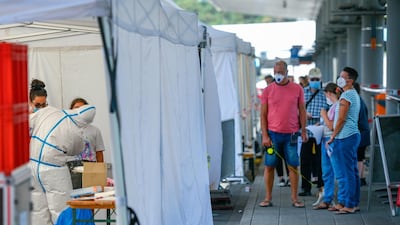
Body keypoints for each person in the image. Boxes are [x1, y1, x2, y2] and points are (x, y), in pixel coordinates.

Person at [29, 79, 96, 225]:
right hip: (52, 170)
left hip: (35, 168)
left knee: (39, 213)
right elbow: (76, 148)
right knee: (60, 210)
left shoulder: (41, 116)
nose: (41, 108)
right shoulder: (58, 117)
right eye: (37, 105)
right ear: (30, 103)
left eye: (43, 104)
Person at [259, 60, 308, 208]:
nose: (278, 74)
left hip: (292, 134)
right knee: (269, 165)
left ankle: (295, 198)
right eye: (276, 72)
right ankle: (267, 197)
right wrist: (265, 135)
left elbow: (302, 111)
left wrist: (303, 130)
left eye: (280, 71)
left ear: (287, 72)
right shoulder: (267, 90)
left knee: (293, 165)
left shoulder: (297, 88)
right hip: (273, 135)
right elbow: (263, 114)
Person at [326, 66, 361, 214]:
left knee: (347, 172)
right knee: (351, 171)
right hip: (350, 136)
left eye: (342, 76)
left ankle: (350, 204)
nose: (339, 79)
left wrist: (333, 136)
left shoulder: (347, 97)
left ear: (350, 80)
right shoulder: (351, 94)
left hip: (345, 137)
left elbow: (341, 119)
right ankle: (349, 202)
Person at [299, 68, 328, 197]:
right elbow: (296, 110)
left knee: (321, 160)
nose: (315, 82)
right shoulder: (302, 93)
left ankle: (322, 185)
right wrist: (304, 115)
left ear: (320, 80)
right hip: (306, 132)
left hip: (320, 132)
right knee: (305, 160)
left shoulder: (324, 94)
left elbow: (329, 111)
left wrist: (320, 120)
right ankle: (305, 187)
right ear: (308, 80)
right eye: (313, 80)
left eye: (317, 80)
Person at [313, 82, 342, 209]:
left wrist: (323, 115)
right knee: (326, 172)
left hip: (332, 141)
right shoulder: (332, 107)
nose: (326, 98)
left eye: (326, 95)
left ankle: (341, 200)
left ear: (330, 94)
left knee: (337, 171)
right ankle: (328, 198)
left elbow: (332, 125)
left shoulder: (338, 106)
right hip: (325, 140)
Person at [70, 97, 105, 162]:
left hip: (91, 168)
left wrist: (100, 170)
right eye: (76, 107)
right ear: (71, 110)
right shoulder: (66, 129)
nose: (79, 110)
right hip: (72, 167)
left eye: (82, 108)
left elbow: (99, 153)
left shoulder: (95, 130)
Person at [353, 83, 370, 186]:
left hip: (359, 133)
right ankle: (361, 177)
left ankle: (359, 178)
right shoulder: (361, 100)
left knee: (358, 156)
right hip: (363, 133)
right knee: (360, 156)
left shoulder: (356, 102)